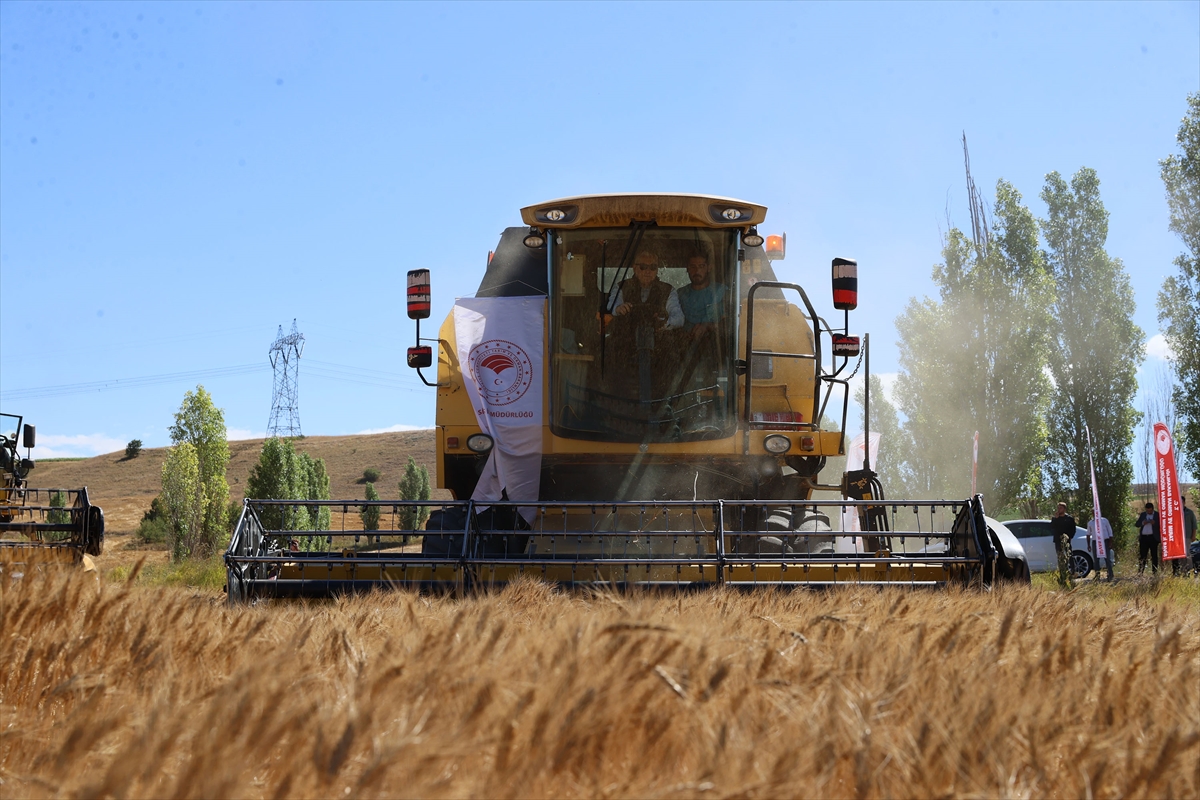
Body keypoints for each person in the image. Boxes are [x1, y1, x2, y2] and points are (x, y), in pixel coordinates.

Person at [607, 250, 683, 401]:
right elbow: (611, 305)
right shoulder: (621, 286)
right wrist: (619, 308)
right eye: (643, 267)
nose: (648, 271)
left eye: (652, 267)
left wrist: (665, 323)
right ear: (634, 268)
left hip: (659, 352)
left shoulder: (668, 290)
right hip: (624, 349)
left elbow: (679, 318)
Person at [1050, 502, 1076, 586]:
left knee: (1069, 555)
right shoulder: (1055, 518)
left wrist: (1070, 537)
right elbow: (1051, 527)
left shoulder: (1069, 518)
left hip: (1066, 540)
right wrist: (1056, 519)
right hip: (1058, 540)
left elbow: (1073, 529)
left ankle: (1072, 571)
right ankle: (1062, 572)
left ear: (1064, 509)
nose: (1059, 509)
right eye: (1058, 508)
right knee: (1060, 556)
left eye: (1060, 508)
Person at [1135, 502, 1160, 575]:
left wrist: (1154, 523)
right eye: (1147, 510)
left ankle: (1154, 572)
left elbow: (1161, 524)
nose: (1149, 512)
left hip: (1153, 538)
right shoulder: (1143, 515)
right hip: (1144, 538)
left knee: (1154, 555)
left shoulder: (1157, 515)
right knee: (1143, 555)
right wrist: (1143, 523)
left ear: (1153, 509)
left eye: (1150, 510)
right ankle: (1140, 572)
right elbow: (1137, 524)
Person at [1087, 515, 1115, 580]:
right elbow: (1088, 534)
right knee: (1096, 559)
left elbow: (1110, 531)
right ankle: (1097, 575)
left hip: (1105, 541)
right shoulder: (1090, 522)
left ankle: (1110, 574)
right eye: (1093, 512)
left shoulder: (1104, 520)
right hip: (1095, 541)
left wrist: (1110, 542)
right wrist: (1088, 545)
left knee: (1107, 558)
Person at [1177, 494, 1196, 576]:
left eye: (1181, 502)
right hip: (1178, 537)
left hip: (1187, 536)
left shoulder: (1189, 512)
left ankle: (1191, 570)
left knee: (1187, 553)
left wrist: (1193, 535)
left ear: (1184, 502)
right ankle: (1183, 571)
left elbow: (1194, 525)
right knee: (1180, 554)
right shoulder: (1175, 512)